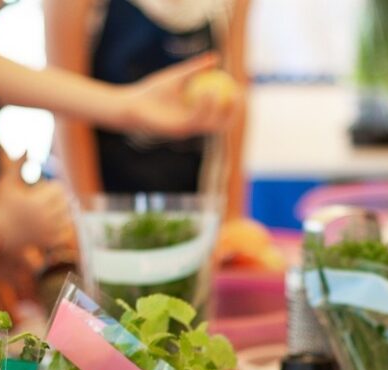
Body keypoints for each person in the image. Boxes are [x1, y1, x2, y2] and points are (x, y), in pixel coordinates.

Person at [44, 0, 250, 216]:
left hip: (187, 197)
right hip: (94, 192)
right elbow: (66, 111)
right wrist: (89, 222)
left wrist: (232, 216)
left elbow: (235, 103)